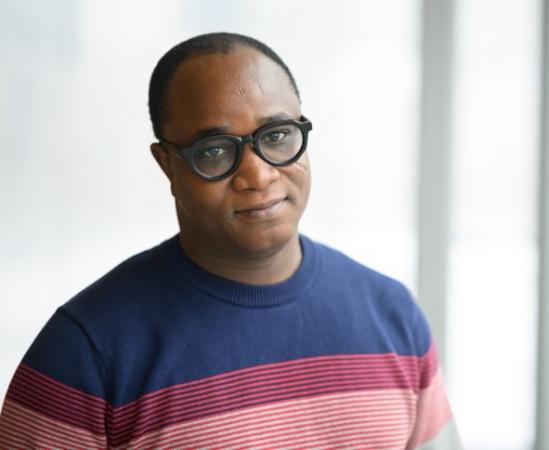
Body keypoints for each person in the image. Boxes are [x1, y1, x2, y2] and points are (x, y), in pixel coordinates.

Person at [0, 32, 461, 449]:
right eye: (215, 150)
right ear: (168, 166)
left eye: (277, 135)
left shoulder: (392, 315)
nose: (257, 175)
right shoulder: (87, 348)